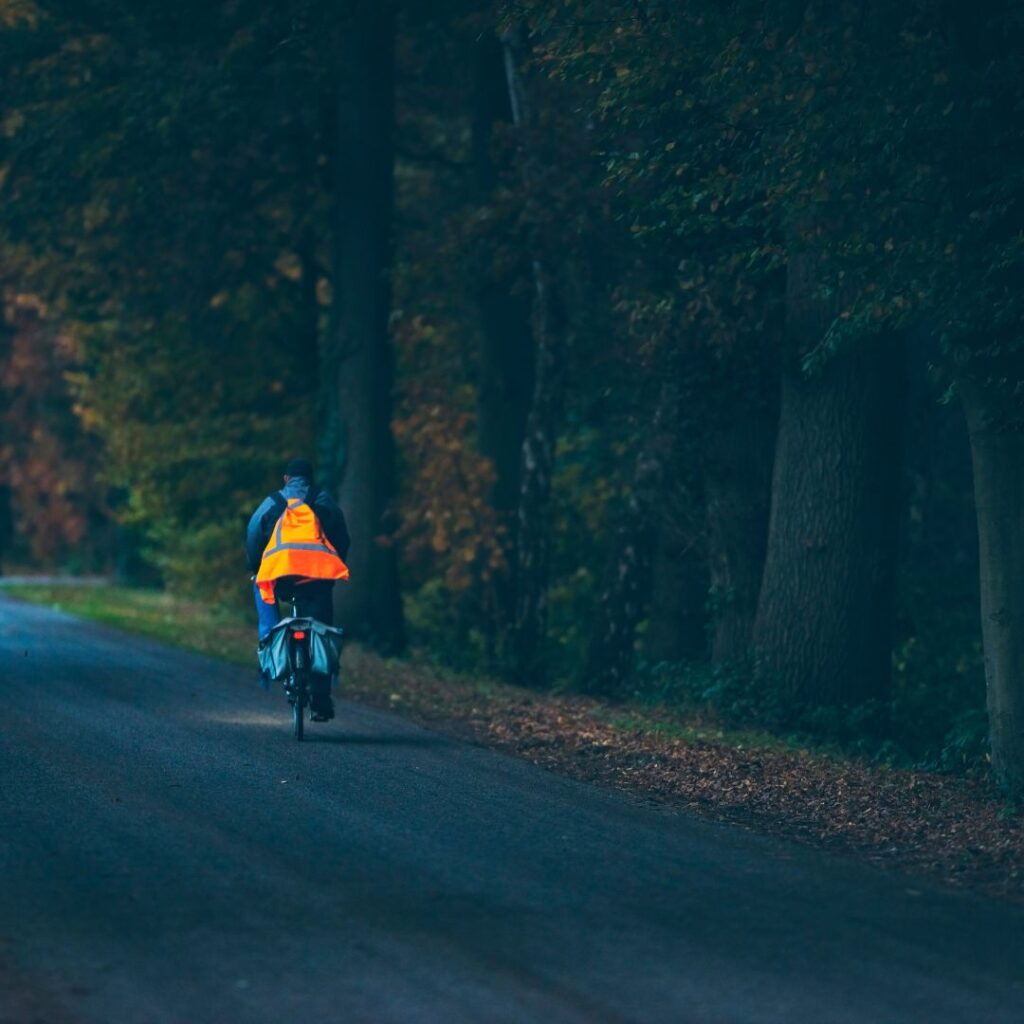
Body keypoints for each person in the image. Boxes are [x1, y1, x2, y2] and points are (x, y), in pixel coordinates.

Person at [245, 457, 350, 720]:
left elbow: (253, 534)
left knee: (262, 589)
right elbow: (342, 538)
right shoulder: (323, 500)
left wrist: (255, 566)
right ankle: (321, 700)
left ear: (286, 479)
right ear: (311, 479)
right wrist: (334, 566)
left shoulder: (273, 502)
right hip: (316, 579)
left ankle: (270, 656)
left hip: (281, 577)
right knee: (322, 630)